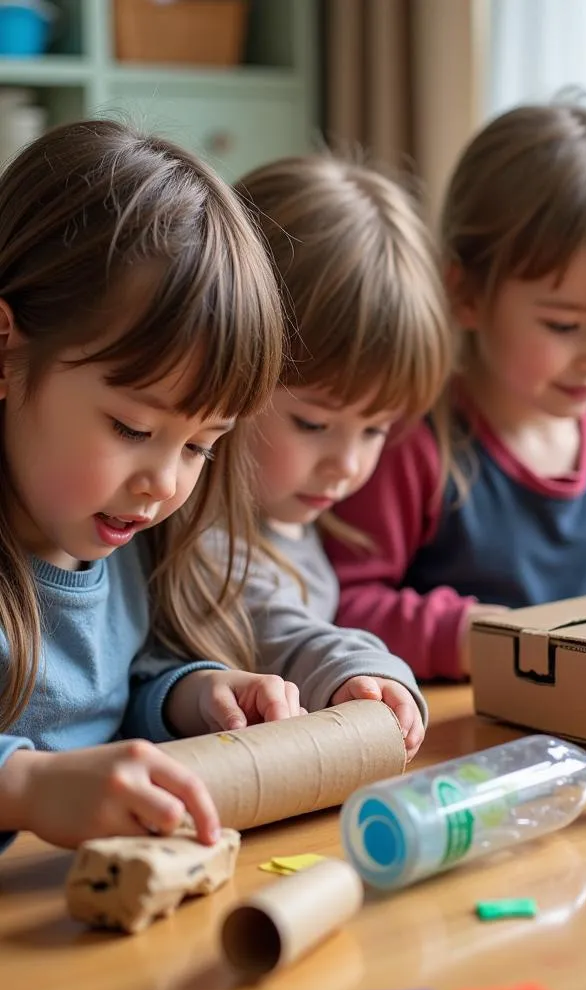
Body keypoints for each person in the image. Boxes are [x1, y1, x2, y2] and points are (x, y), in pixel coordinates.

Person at [0, 120, 292, 850]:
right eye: (132, 429)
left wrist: (193, 695)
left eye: (200, 445)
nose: (164, 484)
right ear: (4, 349)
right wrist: (28, 788)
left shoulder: (118, 546)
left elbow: (116, 699)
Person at [324, 102, 586, 680]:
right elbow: (343, 605)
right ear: (466, 294)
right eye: (564, 326)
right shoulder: (407, 441)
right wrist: (475, 638)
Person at [229, 154, 454, 755]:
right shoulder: (200, 529)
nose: (347, 464)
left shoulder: (292, 520)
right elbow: (262, 620)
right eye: (314, 422)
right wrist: (356, 665)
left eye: (375, 430)